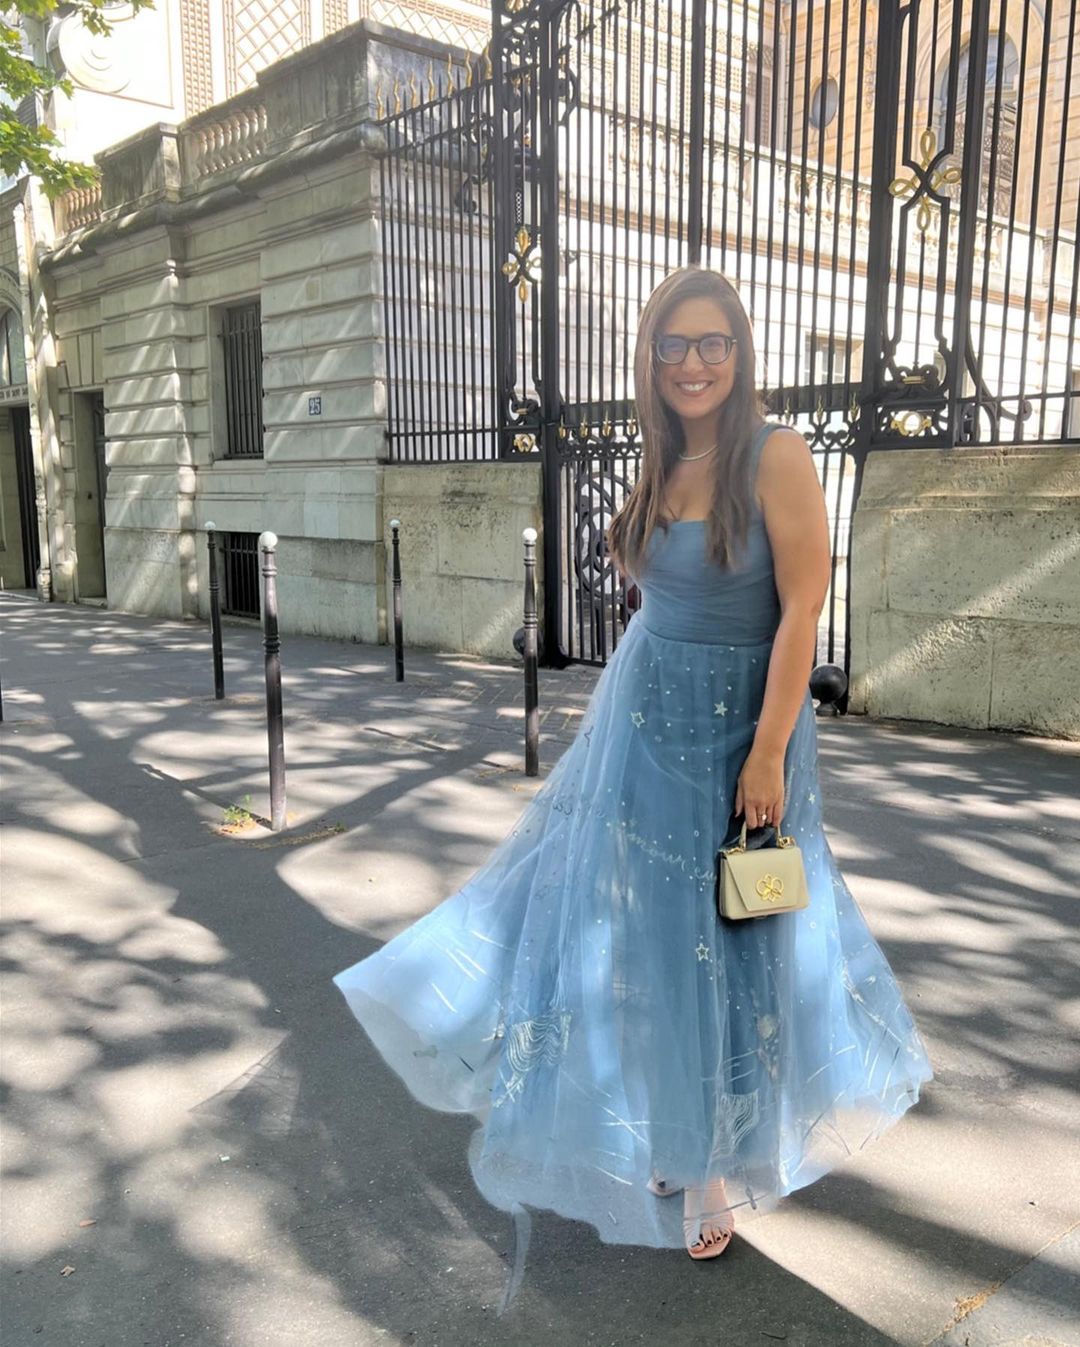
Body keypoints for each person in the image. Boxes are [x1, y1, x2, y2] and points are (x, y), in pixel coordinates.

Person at [332, 264, 934, 1263]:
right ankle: (683, 1136)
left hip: (747, 732)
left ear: (739, 353)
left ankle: (716, 1160)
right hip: (649, 725)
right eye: (673, 345)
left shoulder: (776, 452)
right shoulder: (664, 457)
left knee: (739, 936)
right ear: (650, 358)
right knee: (658, 939)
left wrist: (769, 752)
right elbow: (652, 594)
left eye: (712, 343)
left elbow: (802, 609)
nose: (694, 363)